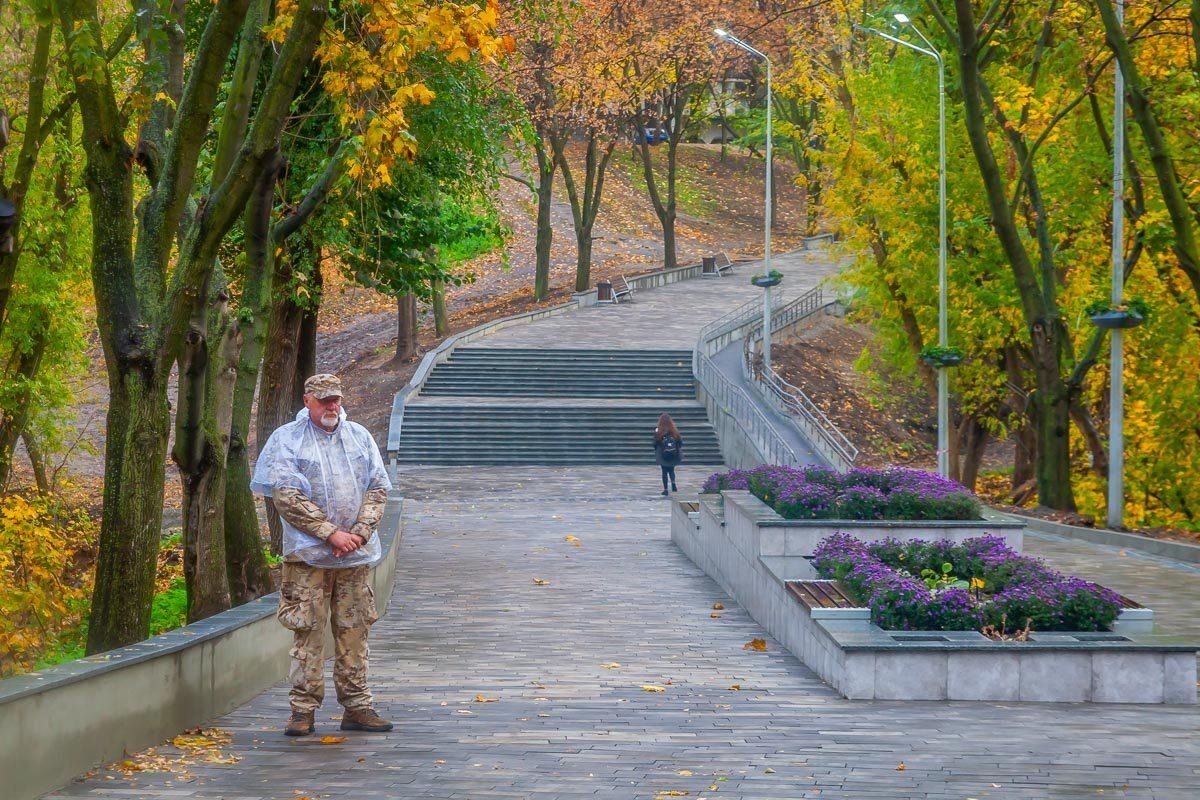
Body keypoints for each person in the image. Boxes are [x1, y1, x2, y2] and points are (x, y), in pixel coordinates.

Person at [251, 373, 394, 737]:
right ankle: (302, 710)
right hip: (308, 557)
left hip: (354, 556)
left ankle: (358, 705)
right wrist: (330, 533)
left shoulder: (359, 437)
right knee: (307, 630)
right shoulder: (288, 439)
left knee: (355, 630)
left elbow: (377, 488)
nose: (332, 405)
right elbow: (286, 495)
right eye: (324, 399)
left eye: (336, 399)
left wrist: (359, 533)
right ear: (308, 400)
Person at [654, 412, 683, 496]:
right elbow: (680, 442)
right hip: (673, 454)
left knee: (664, 471)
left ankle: (665, 489)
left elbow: (654, 443)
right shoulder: (674, 430)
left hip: (663, 454)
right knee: (671, 470)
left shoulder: (658, 431)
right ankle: (673, 484)